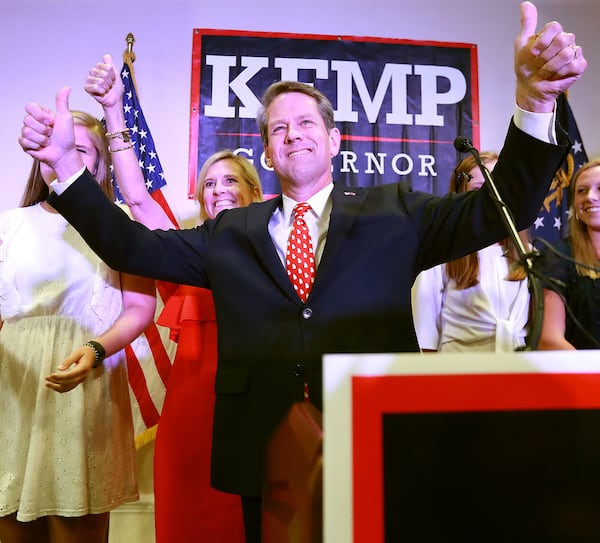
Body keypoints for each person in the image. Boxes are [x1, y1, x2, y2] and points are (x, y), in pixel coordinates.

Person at [17, 3, 586, 540]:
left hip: (375, 438)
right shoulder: (230, 232)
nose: (293, 134)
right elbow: (131, 246)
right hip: (261, 450)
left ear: (335, 140)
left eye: (306, 123)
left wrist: (534, 102)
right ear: (266, 152)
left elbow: (495, 206)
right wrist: (67, 167)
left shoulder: (396, 213)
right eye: (278, 129)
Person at [85, 55, 263, 542]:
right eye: (209, 184)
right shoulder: (187, 249)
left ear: (253, 191)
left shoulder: (281, 246)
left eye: (230, 181)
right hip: (190, 407)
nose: (218, 190)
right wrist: (116, 112)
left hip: (256, 404)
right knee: (190, 520)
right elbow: (140, 199)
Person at [0, 111, 156, 543]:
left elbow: (141, 309)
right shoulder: (9, 225)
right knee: (13, 526)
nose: (63, 157)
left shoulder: (119, 221)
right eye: (57, 148)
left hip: (87, 380)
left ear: (101, 165)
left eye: (79, 150)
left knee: (75, 526)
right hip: (12, 387)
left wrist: (97, 349)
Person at [412, 151, 532, 352]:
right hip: (460, 370)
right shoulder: (441, 254)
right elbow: (425, 334)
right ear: (463, 199)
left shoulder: (528, 254)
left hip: (518, 368)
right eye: (480, 191)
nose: (491, 200)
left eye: (498, 190)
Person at [536, 158, 600, 350]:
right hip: (582, 375)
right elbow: (549, 340)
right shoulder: (556, 257)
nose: (590, 197)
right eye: (581, 191)